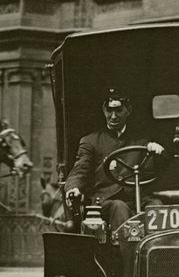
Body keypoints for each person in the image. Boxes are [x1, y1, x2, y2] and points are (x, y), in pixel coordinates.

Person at [63, 89, 166, 233]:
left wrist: (155, 152)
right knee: (119, 206)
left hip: (135, 198)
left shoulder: (142, 141)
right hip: (105, 202)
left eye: (118, 110)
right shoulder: (90, 141)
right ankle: (130, 254)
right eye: (109, 110)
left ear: (128, 110)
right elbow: (80, 170)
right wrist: (74, 188)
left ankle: (157, 252)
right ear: (103, 109)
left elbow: (151, 172)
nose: (113, 116)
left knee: (156, 205)